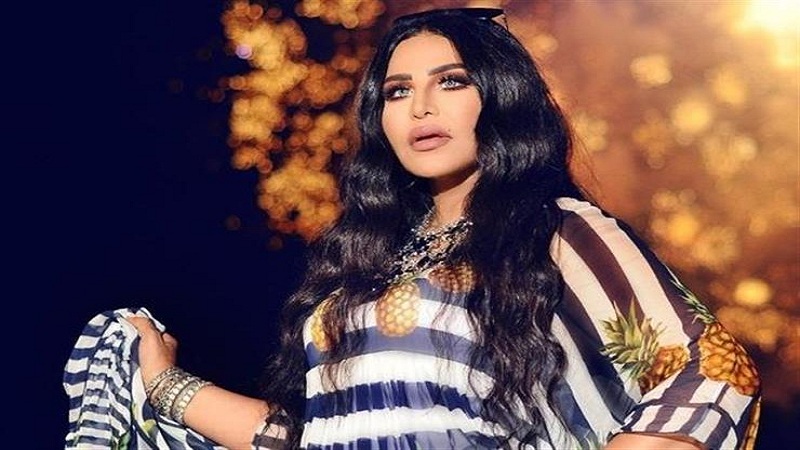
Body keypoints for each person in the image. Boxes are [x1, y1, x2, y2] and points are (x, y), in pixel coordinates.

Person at [123, 7, 760, 450]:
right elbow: (316, 437)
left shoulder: (554, 231)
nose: (421, 108)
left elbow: (712, 372)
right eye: (397, 92)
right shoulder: (365, 267)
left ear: (499, 96)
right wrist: (163, 384)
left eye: (451, 82)